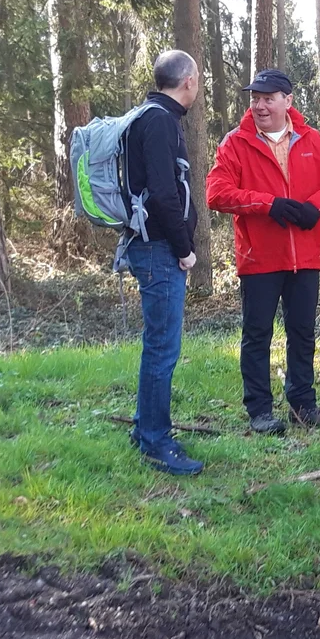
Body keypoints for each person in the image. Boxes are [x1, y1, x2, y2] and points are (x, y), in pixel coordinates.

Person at [205, 69, 320, 434]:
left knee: (302, 332)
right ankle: (259, 412)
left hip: (305, 257)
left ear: (288, 101)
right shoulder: (235, 144)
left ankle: (303, 406)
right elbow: (216, 193)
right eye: (255, 98)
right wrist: (266, 204)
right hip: (259, 258)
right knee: (257, 334)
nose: (259, 105)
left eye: (268, 98)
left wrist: (316, 205)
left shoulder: (311, 140)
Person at [122, 50, 204, 475]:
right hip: (157, 248)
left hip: (152, 246)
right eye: (199, 78)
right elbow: (164, 193)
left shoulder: (153, 117)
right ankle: (155, 441)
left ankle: (145, 428)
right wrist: (184, 247)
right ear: (188, 80)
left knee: (157, 343)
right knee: (162, 346)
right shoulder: (157, 121)